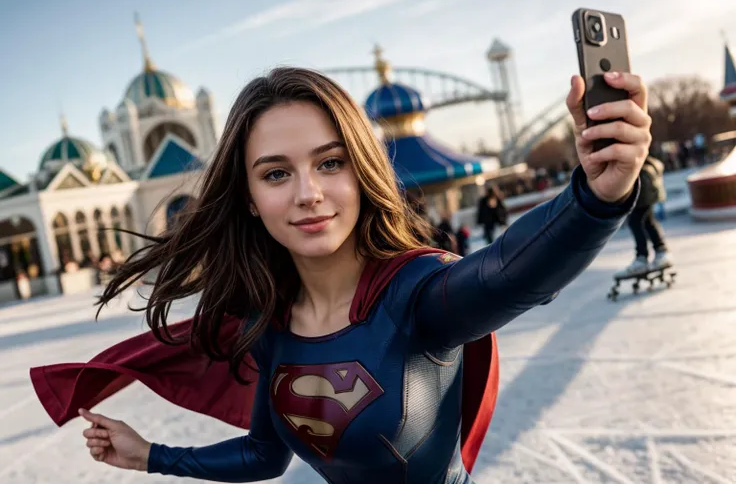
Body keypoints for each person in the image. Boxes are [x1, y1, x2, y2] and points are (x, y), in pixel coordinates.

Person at [33, 67, 650, 484]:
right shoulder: (267, 322)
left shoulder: (417, 297)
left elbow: (512, 273)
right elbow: (265, 454)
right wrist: (150, 457)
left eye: (330, 163)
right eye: (276, 173)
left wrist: (596, 197)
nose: (309, 193)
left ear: (360, 171)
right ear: (248, 196)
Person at [615, 155, 672, 279]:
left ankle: (643, 257)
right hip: (645, 190)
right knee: (647, 221)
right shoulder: (646, 162)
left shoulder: (640, 165)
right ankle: (660, 251)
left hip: (643, 191)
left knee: (635, 222)